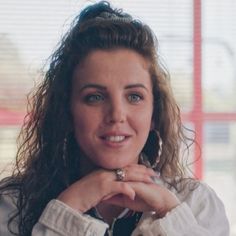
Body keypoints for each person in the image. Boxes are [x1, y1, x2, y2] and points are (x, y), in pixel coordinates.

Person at [0, 1, 229, 235]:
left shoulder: (197, 204)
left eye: (134, 97)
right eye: (95, 97)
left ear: (154, 115)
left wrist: (170, 213)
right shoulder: (10, 205)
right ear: (66, 112)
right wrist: (68, 209)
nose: (117, 115)